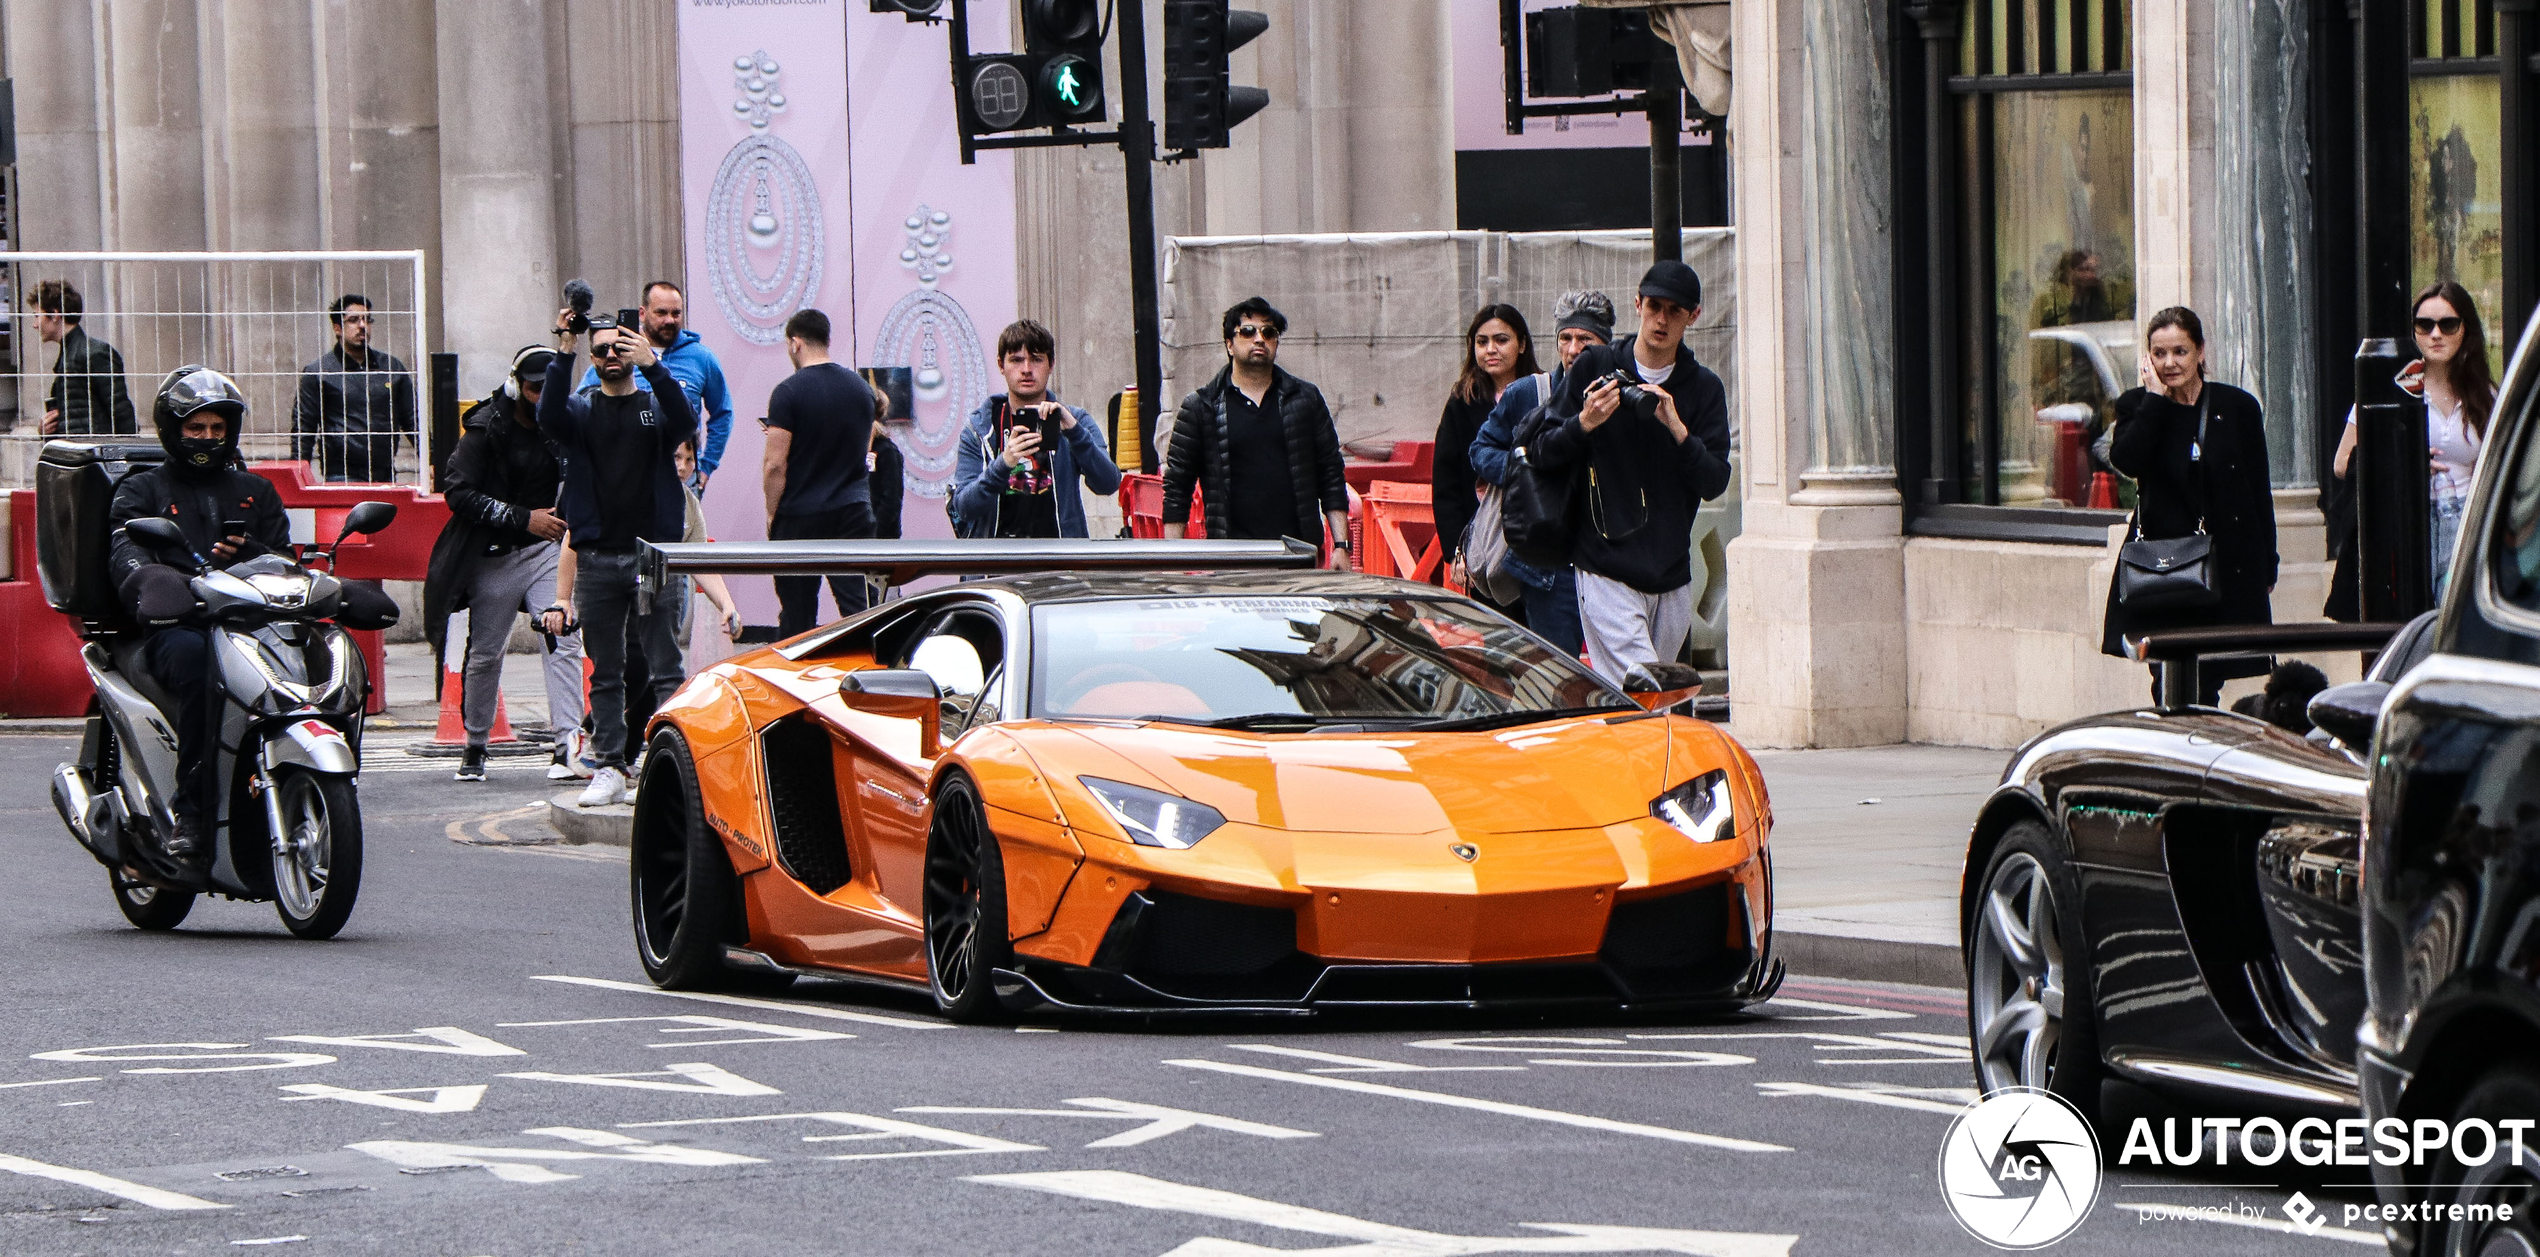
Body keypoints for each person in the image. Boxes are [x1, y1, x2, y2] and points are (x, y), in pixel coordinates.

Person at [107, 368, 294, 857]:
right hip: (175, 626)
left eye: (217, 429)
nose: (208, 438)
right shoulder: (140, 491)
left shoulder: (259, 490)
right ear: (173, 430)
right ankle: (192, 813)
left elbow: (285, 559)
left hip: (252, 625)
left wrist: (253, 552)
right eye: (195, 428)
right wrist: (156, 583)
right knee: (198, 665)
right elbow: (125, 554)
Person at [1526, 263, 1732, 682]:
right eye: (1654, 306)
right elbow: (1541, 451)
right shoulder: (1594, 367)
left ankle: (1621, 748)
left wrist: (1677, 429)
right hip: (1604, 565)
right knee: (1645, 688)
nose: (1661, 319)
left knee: (1641, 703)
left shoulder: (1703, 388)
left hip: (1671, 574)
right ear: (1637, 304)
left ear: (1693, 316)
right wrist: (1584, 421)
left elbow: (1714, 481)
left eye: (1675, 310)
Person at [537, 308, 696, 808]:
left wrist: (654, 365)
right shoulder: (582, 411)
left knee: (662, 661)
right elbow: (549, 418)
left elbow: (687, 421)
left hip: (651, 553)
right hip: (599, 556)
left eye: (619, 347)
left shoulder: (653, 403)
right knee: (605, 668)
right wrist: (565, 349)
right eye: (601, 348)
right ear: (592, 356)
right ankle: (608, 766)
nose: (611, 355)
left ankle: (666, 761)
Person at [424, 345, 587, 784]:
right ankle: (475, 743)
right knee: (485, 653)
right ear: (517, 386)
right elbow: (457, 493)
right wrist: (523, 518)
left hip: (546, 552)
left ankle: (567, 743)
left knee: (563, 638)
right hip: (494, 553)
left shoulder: (563, 424)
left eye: (550, 389)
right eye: (534, 389)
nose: (541, 398)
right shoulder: (484, 428)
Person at [2100, 306, 2277, 705]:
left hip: (2226, 562)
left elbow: (2257, 488)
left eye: (2179, 351)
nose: (2169, 363)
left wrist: (2268, 559)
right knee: (2170, 677)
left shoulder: (2237, 408)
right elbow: (2127, 461)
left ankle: (2198, 751)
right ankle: (2177, 753)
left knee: (2210, 676)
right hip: (2166, 568)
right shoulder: (2138, 408)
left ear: (2200, 351)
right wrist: (2157, 401)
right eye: (2159, 353)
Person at [2327, 280, 2497, 610]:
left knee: (2462, 621)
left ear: (2465, 330)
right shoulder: (2387, 390)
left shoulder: (2483, 393)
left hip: (2467, 520)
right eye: (2424, 325)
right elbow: (2341, 462)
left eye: (2448, 324)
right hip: (2409, 523)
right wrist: (2404, 464)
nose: (2436, 334)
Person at [1470, 290, 1612, 658]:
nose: (1573, 348)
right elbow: (1481, 450)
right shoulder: (1531, 392)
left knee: (1617, 676)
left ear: (1604, 345)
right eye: (1565, 338)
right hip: (1549, 567)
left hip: (1608, 562)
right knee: (1558, 674)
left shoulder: (1618, 395)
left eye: (1585, 339)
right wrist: (1525, 473)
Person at [1161, 296, 1352, 568]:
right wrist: (1174, 559)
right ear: (1229, 344)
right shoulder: (1201, 406)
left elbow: (1331, 473)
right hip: (1231, 559)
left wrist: (1342, 547)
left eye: (1269, 332)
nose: (1259, 339)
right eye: (1248, 331)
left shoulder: (1305, 399)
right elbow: (1177, 487)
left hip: (1298, 554)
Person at [950, 319, 1124, 538]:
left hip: (1060, 563)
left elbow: (1108, 483)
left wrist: (1074, 432)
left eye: (1036, 360)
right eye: (1016, 360)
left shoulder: (1074, 420)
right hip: (994, 565)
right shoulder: (980, 429)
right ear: (1001, 365)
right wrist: (1004, 463)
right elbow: (964, 507)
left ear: (1051, 365)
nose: (1026, 370)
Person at [763, 308, 878, 637]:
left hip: (799, 515)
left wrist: (773, 513)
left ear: (795, 343)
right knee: (858, 609)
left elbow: (775, 464)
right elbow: (863, 447)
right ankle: (867, 673)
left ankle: (795, 683)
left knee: (797, 619)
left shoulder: (788, 392)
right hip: (852, 510)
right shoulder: (861, 390)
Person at [1433, 303, 1541, 615]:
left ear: (1521, 344)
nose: (1490, 350)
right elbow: (1446, 483)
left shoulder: (1543, 393)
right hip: (1485, 544)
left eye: (1501, 340)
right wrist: (1457, 550)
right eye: (1482, 342)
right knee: (1495, 643)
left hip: (1538, 543)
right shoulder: (1462, 402)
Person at [577, 281, 735, 488]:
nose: (669, 320)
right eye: (661, 313)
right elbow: (580, 405)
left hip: (680, 474)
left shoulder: (701, 358)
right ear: (642, 313)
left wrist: (706, 466)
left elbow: (722, 413)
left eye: (676, 313)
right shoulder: (618, 353)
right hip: (624, 472)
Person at [293, 294, 417, 482]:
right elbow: (304, 428)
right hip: (340, 475)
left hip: (384, 474)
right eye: (353, 320)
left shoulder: (391, 367)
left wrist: (433, 460)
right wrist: (299, 473)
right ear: (337, 328)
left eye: (367, 319)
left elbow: (412, 419)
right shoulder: (319, 372)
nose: (362, 326)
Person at [31, 279, 137, 436]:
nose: (35, 324)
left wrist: (129, 455)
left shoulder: (94, 353)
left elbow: (121, 411)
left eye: (36, 316)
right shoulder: (74, 353)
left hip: (94, 454)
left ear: (54, 315)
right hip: (83, 453)